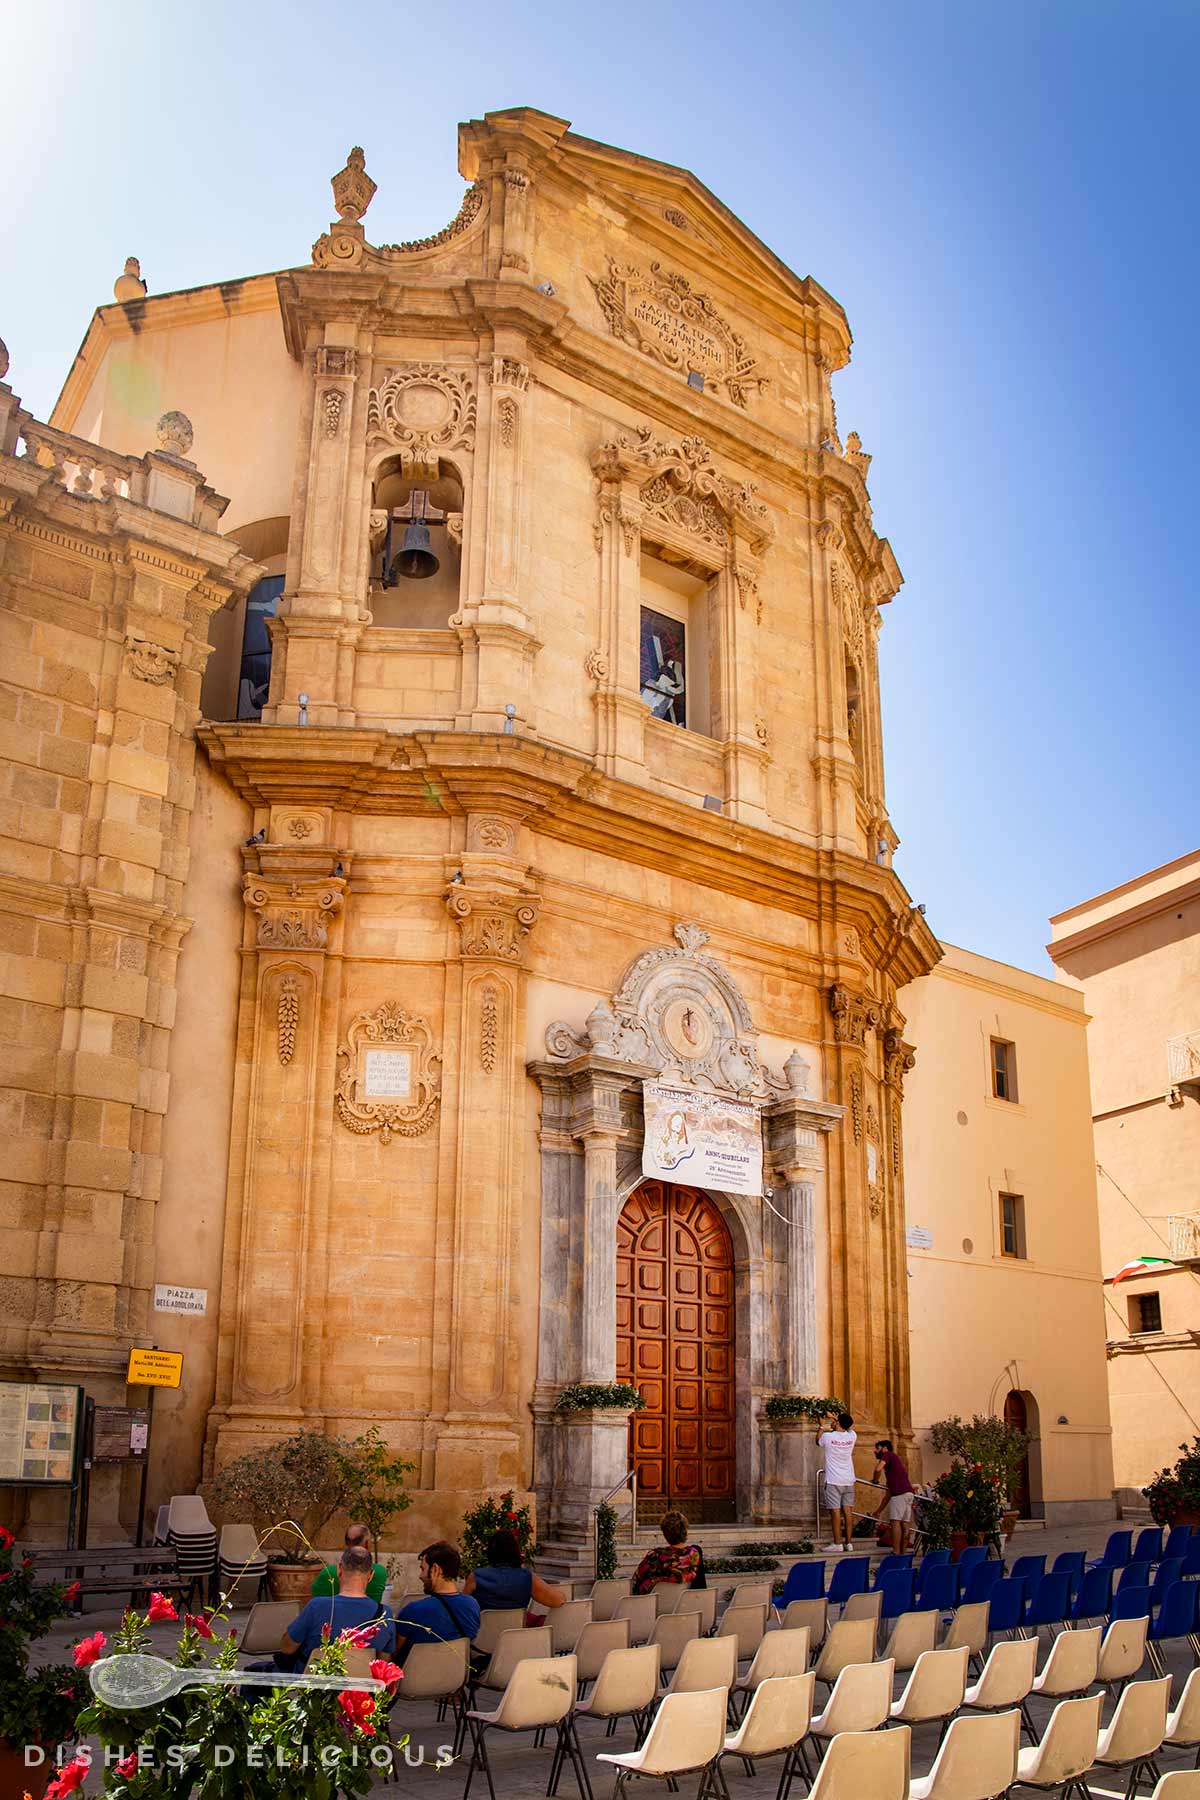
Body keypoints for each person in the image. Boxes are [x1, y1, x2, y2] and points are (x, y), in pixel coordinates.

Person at [267, 1546, 395, 1672]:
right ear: (371, 1575)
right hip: (359, 1690)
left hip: (311, 1688)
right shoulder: (384, 1614)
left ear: (339, 1570)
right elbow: (383, 1663)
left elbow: (287, 1648)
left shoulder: (316, 1607)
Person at [392, 1541, 481, 1663]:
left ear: (435, 1570)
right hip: (456, 1678)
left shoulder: (413, 1610)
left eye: (423, 1569)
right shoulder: (472, 1605)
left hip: (414, 1679)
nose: (420, 1576)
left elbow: (394, 1652)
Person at [463, 1528, 566, 1614]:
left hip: (483, 1635)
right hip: (515, 1635)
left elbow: (462, 1608)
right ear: (516, 1551)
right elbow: (558, 1600)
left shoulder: (477, 1577)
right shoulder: (527, 1578)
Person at [631, 1510, 707, 1595]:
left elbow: (637, 1578)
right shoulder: (695, 1553)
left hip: (654, 1604)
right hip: (681, 1603)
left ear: (665, 1533)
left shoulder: (655, 1555)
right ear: (685, 1531)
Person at [310, 1522, 388, 1603]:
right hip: (368, 1615)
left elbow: (316, 1599)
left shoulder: (327, 1573)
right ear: (367, 1544)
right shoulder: (379, 1572)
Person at [818, 1411, 858, 1552]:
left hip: (834, 1480)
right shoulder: (852, 1437)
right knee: (848, 1512)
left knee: (835, 1512)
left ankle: (837, 1543)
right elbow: (849, 1427)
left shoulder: (828, 1436)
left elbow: (818, 1441)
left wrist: (822, 1426)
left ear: (838, 1423)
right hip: (848, 1480)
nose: (833, 1422)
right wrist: (836, 1418)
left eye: (836, 1420)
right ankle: (849, 1542)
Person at [873, 1437, 917, 1553]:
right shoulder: (893, 1469)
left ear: (885, 1448)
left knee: (895, 1522)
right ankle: (903, 1552)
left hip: (900, 1495)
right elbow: (888, 1495)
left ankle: (896, 1551)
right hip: (908, 1493)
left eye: (877, 1449)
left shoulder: (888, 1454)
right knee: (905, 1523)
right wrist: (878, 1510)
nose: (875, 1452)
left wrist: (875, 1480)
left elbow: (878, 1469)